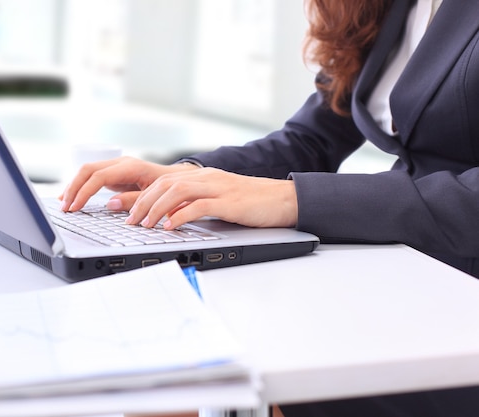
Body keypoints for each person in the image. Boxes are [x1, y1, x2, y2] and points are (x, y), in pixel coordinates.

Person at [61, 0, 479, 415]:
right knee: (170, 360)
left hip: (457, 295)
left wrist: (291, 199)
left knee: (227, 368)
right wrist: (188, 176)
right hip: (401, 264)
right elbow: (311, 139)